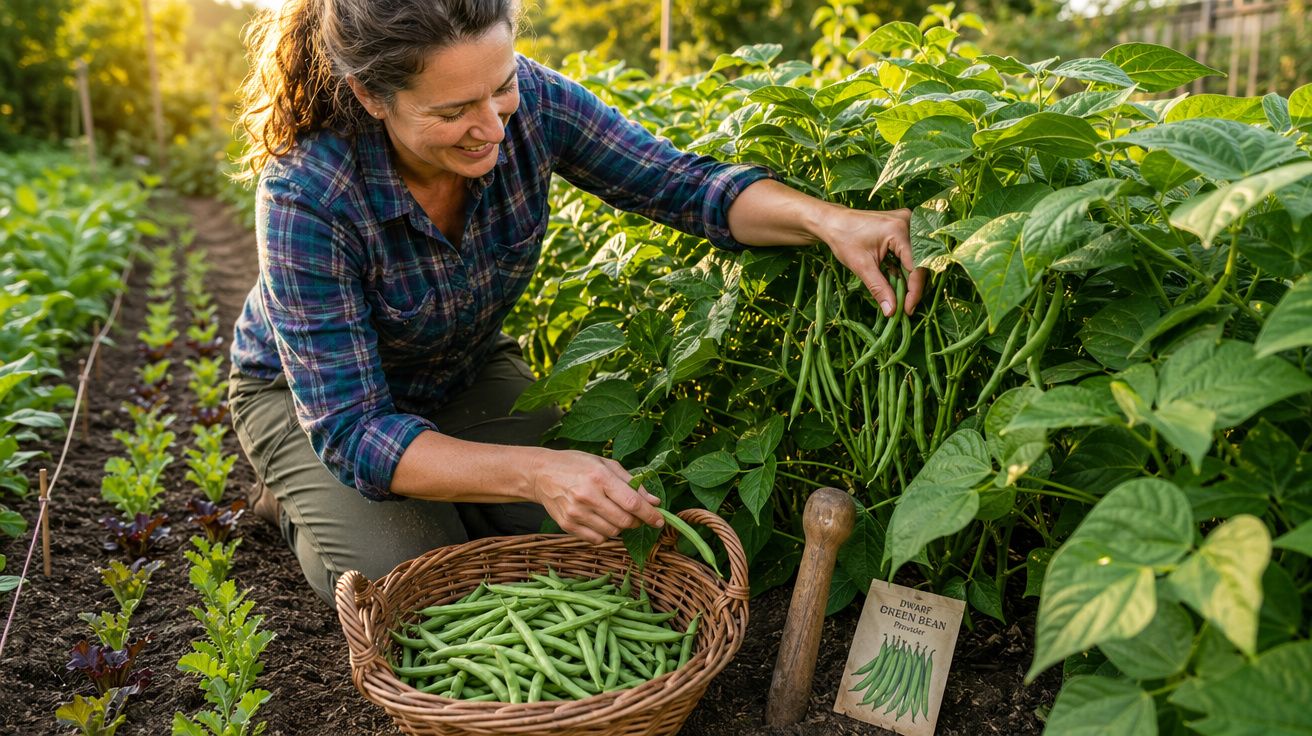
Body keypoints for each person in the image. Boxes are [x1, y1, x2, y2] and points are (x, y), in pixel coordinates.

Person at [227, 0, 925, 605]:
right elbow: (355, 429)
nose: (493, 127)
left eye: (499, 88)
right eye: (452, 111)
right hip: (309, 399)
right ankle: (294, 494)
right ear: (372, 96)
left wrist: (825, 219)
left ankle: (460, 488)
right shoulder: (308, 191)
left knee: (601, 540)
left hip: (459, 369)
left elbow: (679, 184)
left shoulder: (535, 103)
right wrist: (533, 472)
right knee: (414, 576)